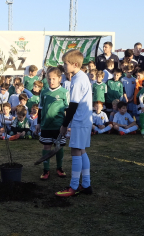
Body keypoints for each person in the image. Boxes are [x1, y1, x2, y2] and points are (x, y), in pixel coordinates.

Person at [56, 49, 93, 197]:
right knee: (82, 150)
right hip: (84, 120)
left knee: (76, 151)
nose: (64, 66)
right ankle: (86, 185)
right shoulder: (82, 77)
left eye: (66, 64)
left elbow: (73, 105)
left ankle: (73, 186)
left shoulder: (77, 80)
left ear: (75, 64)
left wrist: (64, 125)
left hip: (80, 120)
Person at [36, 67, 69, 180]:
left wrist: (66, 125)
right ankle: (46, 170)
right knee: (47, 146)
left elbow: (68, 110)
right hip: (46, 125)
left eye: (54, 79)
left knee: (58, 147)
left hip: (59, 126)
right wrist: (38, 123)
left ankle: (59, 168)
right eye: (49, 79)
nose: (51, 81)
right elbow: (40, 108)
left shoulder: (65, 92)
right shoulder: (44, 92)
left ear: (60, 78)